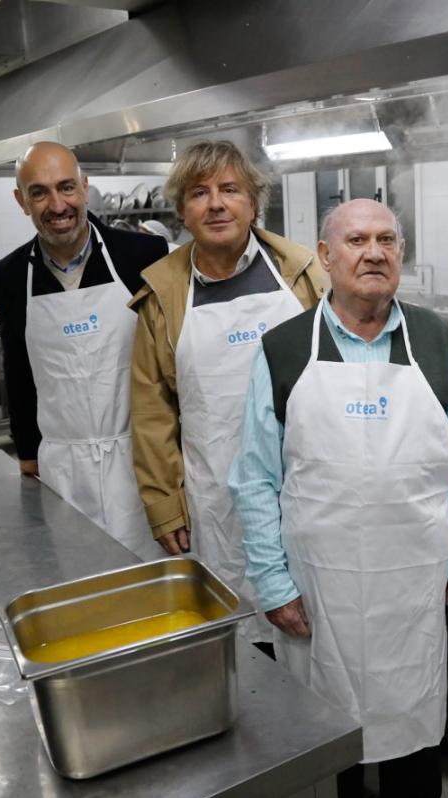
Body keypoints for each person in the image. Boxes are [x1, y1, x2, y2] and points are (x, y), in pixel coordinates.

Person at [227, 198, 448, 798]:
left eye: (387, 240)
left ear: (400, 255)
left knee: (413, 723)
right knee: (326, 722)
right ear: (325, 257)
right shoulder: (285, 350)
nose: (373, 253)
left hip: (412, 583)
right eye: (355, 241)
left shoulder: (434, 339)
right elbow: (254, 480)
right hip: (321, 588)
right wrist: (274, 583)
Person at [128, 140, 328, 647]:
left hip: (306, 490)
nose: (216, 203)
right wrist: (163, 504)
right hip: (213, 497)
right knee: (239, 640)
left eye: (230, 189)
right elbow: (152, 410)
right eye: (199, 192)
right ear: (182, 212)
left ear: (253, 203)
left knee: (318, 635)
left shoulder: (303, 277)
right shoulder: (163, 295)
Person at [0, 141, 168, 560]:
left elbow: (170, 360)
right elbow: (17, 366)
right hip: (62, 467)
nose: (57, 205)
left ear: (85, 188)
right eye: (39, 192)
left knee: (154, 584)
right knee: (80, 580)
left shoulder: (143, 256)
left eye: (66, 187)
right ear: (21, 201)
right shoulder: (8, 276)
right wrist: (27, 450)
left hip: (141, 459)